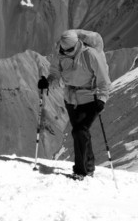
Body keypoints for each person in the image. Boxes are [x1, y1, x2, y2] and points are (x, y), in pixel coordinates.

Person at [39, 29, 111, 179]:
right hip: (71, 100)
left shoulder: (90, 54)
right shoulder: (61, 55)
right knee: (81, 133)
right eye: (64, 50)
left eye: (70, 50)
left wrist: (102, 100)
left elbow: (104, 80)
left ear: (77, 44)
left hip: (91, 99)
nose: (67, 52)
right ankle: (89, 167)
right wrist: (47, 82)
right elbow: (55, 74)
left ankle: (80, 171)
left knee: (79, 131)